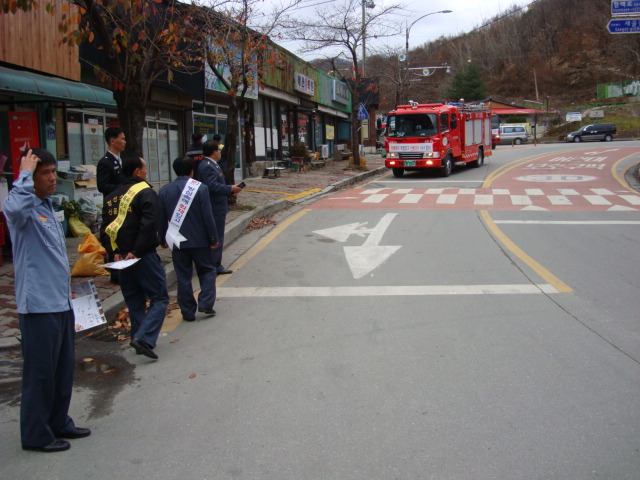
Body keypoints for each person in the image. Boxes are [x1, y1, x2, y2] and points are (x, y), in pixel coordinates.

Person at [4, 148, 90, 453]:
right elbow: (13, 209)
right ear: (30, 177)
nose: (53, 178)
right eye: (45, 173)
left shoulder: (46, 206)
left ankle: (58, 421)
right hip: (38, 306)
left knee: (62, 369)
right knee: (40, 374)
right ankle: (36, 434)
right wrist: (24, 175)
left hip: (60, 301)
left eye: (53, 172)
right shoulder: (22, 208)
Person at [102, 154, 169, 360]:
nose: (146, 172)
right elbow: (148, 225)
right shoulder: (145, 192)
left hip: (121, 259)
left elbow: (105, 228)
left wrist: (114, 252)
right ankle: (144, 338)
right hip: (142, 256)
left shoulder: (112, 196)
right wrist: (137, 251)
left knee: (134, 301)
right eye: (145, 168)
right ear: (137, 172)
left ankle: (138, 338)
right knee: (159, 297)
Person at [158, 156, 219, 321]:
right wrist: (213, 237)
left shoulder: (164, 190)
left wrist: (162, 238)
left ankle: (187, 311)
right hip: (200, 239)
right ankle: (206, 303)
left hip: (177, 240)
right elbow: (208, 216)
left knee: (183, 276)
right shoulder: (201, 188)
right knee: (207, 270)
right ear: (192, 170)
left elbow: (161, 218)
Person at [195, 140, 242, 275]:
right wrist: (229, 188)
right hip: (214, 207)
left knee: (216, 235)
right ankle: (215, 265)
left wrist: (230, 191)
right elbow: (212, 186)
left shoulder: (211, 164)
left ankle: (213, 263)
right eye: (219, 150)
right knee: (216, 236)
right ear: (214, 152)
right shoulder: (208, 166)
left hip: (217, 205)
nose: (220, 152)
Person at [97, 126, 126, 284]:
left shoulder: (119, 160)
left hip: (122, 206)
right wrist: (122, 188)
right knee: (112, 239)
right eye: (122, 139)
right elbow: (102, 186)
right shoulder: (105, 162)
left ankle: (123, 271)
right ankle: (115, 274)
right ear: (112, 141)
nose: (124, 142)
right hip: (112, 208)